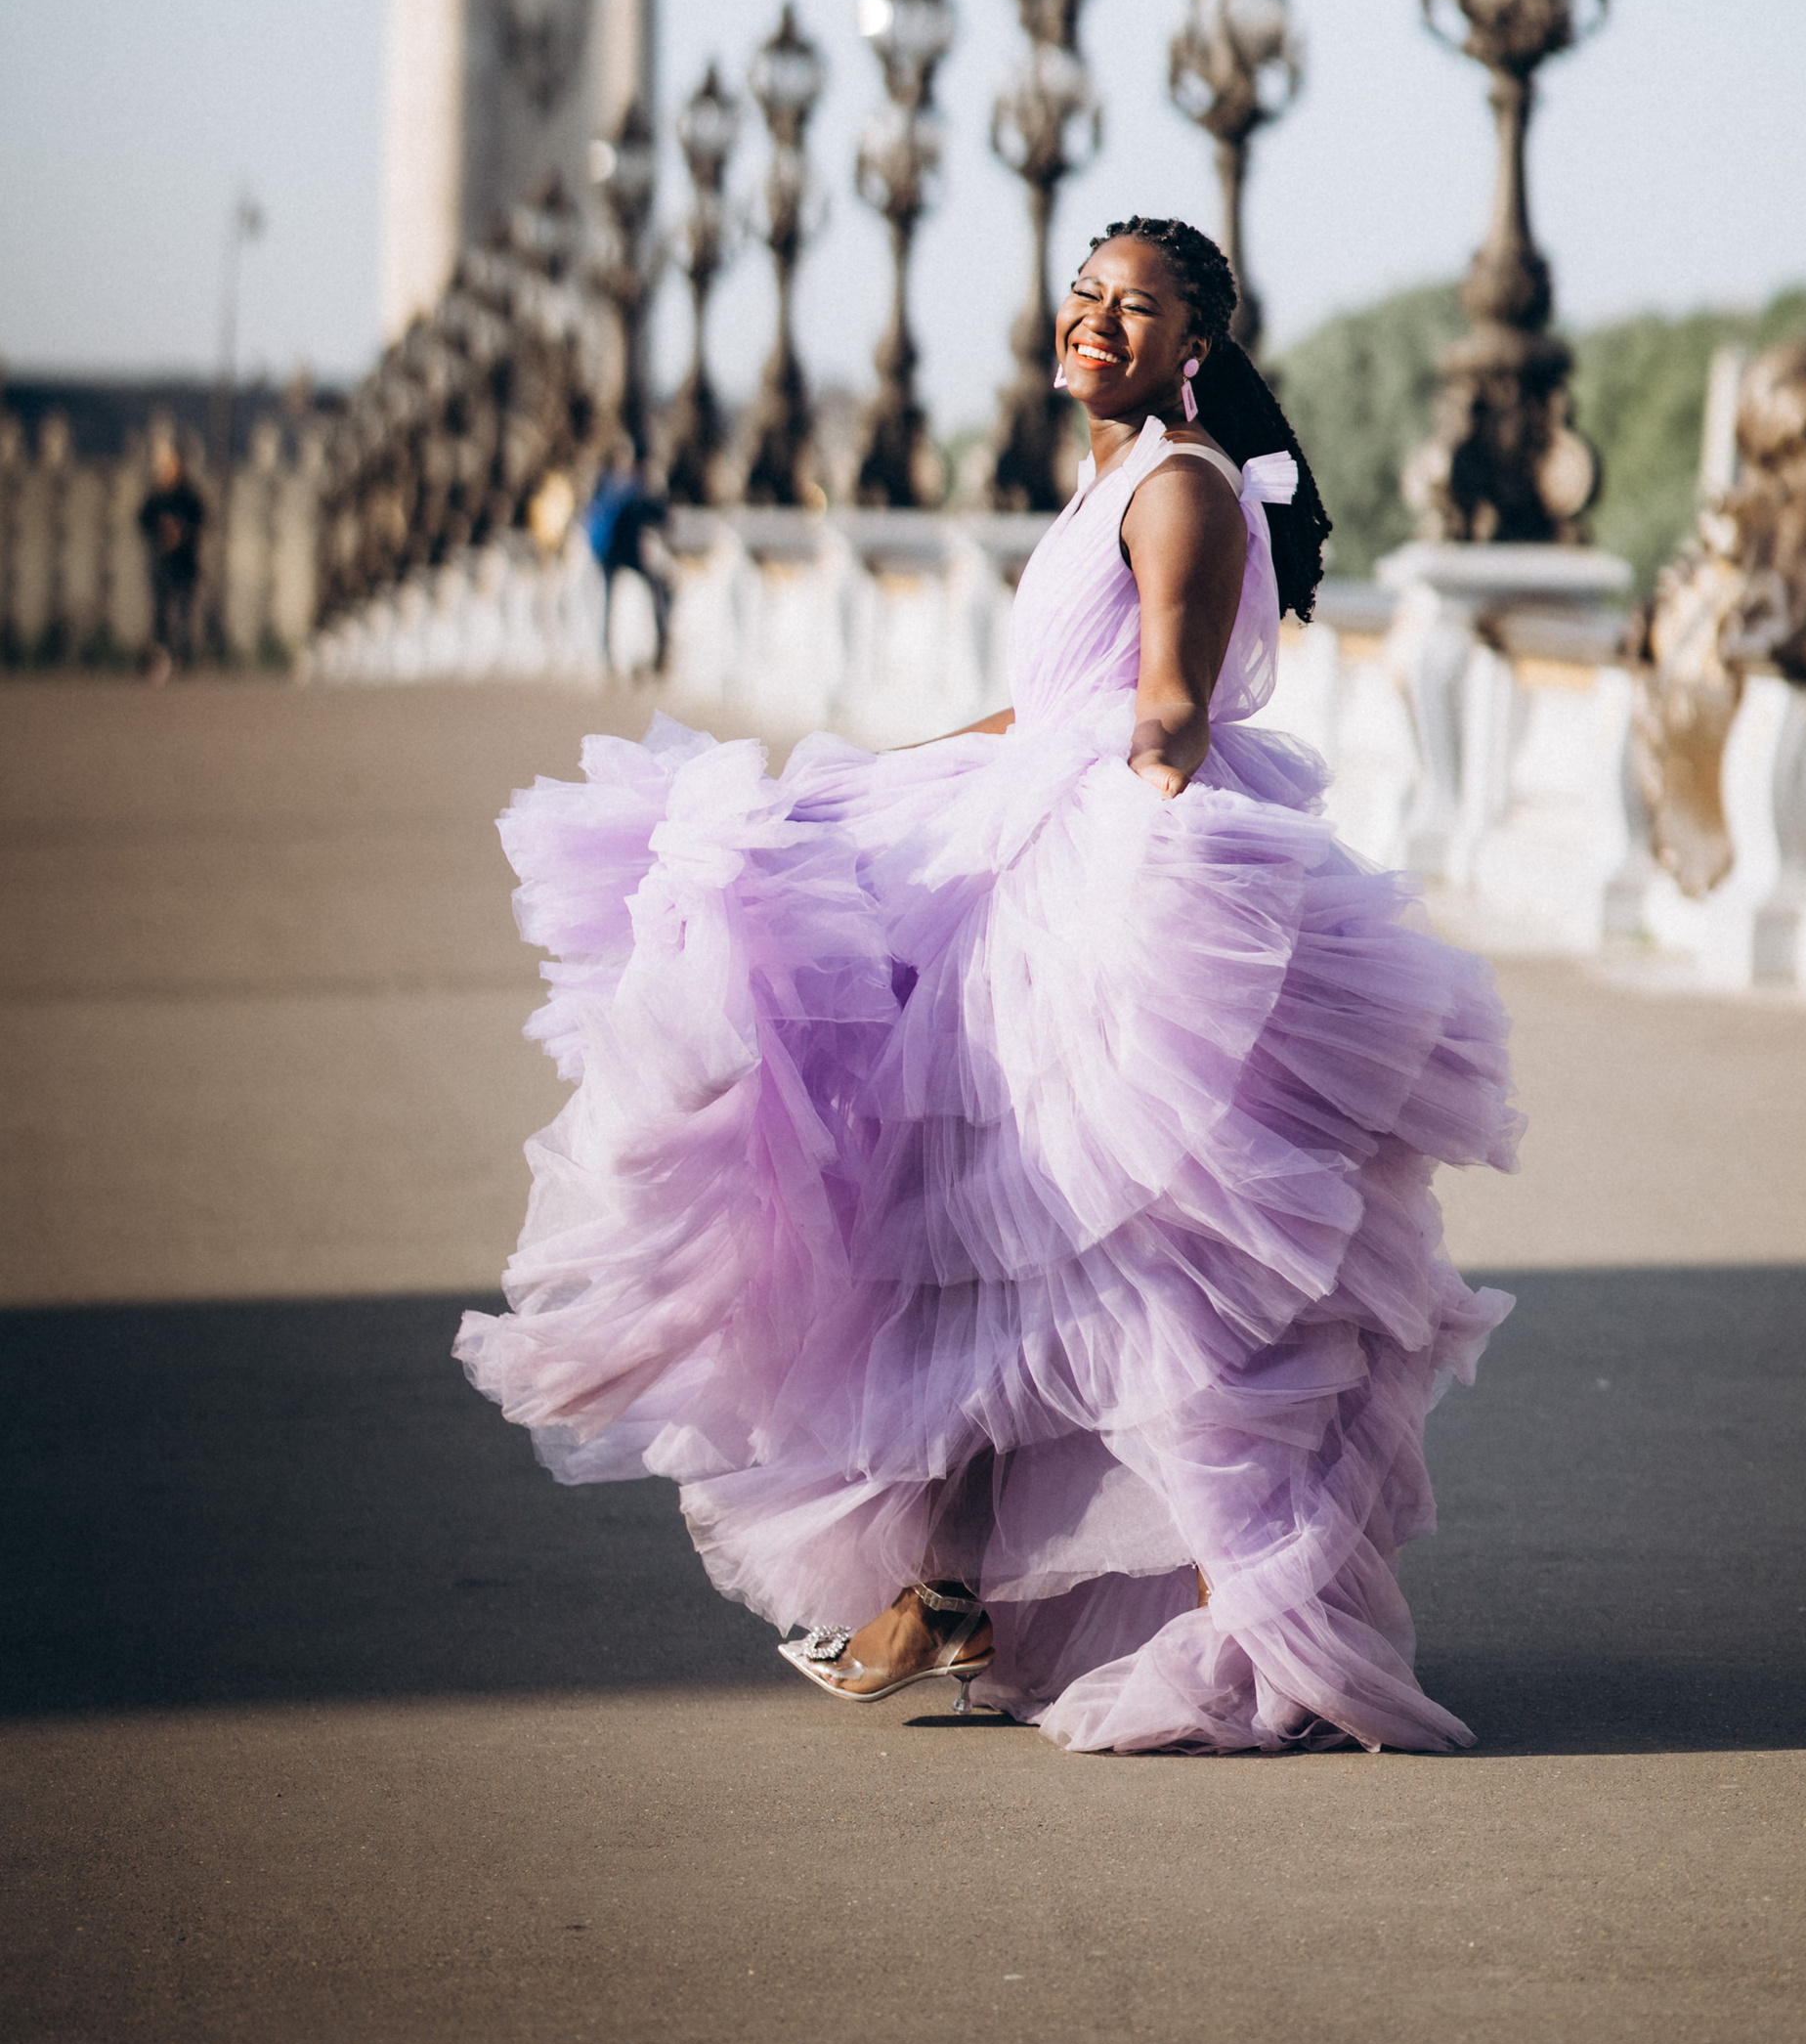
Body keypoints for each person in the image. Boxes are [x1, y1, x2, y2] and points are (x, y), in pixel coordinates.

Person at [458, 215, 1519, 1753]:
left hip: (1108, 881)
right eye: (1085, 294)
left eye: (1135, 307)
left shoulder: (1181, 485)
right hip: (1030, 854)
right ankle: (952, 1586)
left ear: (1194, 347)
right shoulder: (1107, 480)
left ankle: (1248, 1621)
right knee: (987, 1250)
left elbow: (1167, 697)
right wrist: (873, 779)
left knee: (1147, 1274)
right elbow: (1048, 705)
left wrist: (1148, 818)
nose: (1097, 321)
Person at [584, 455, 673, 673]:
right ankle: (656, 650)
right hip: (628, 555)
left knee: (609, 605)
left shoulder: (606, 487)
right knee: (649, 596)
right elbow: (663, 518)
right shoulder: (636, 490)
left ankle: (608, 654)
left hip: (609, 556)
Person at [137, 438, 207, 681]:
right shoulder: (156, 497)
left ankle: (183, 662)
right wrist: (162, 530)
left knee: (184, 616)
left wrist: (182, 531)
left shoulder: (189, 497)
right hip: (161, 565)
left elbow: (202, 523)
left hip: (185, 565)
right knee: (159, 616)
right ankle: (159, 662)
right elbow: (142, 523)